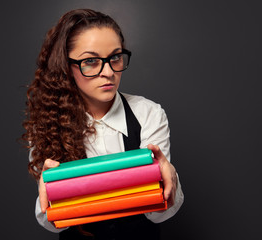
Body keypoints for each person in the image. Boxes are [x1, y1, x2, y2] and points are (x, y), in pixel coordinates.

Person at [22, 8, 184, 240]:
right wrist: (50, 197)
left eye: (115, 57)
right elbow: (53, 223)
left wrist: (170, 182)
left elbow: (157, 214)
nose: (108, 72)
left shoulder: (147, 113)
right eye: (91, 61)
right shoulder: (46, 124)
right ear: (66, 66)